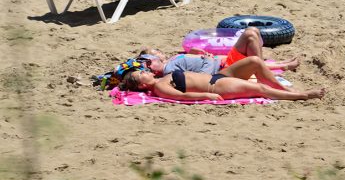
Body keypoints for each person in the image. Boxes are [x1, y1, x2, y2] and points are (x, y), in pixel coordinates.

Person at [138, 27, 299, 78]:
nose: (158, 53)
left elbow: (192, 64)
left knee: (253, 32)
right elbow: (199, 77)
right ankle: (270, 69)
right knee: (249, 34)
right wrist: (207, 60)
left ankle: (278, 65)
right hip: (224, 68)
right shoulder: (169, 71)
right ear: (151, 63)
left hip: (224, 61)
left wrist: (197, 54)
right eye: (155, 53)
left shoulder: (173, 59)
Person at [122, 63, 325, 102]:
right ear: (142, 85)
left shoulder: (162, 77)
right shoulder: (159, 87)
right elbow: (182, 96)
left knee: (254, 62)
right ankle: (303, 95)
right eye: (142, 74)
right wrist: (206, 95)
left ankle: (285, 89)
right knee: (261, 89)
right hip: (217, 86)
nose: (146, 71)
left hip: (219, 75)